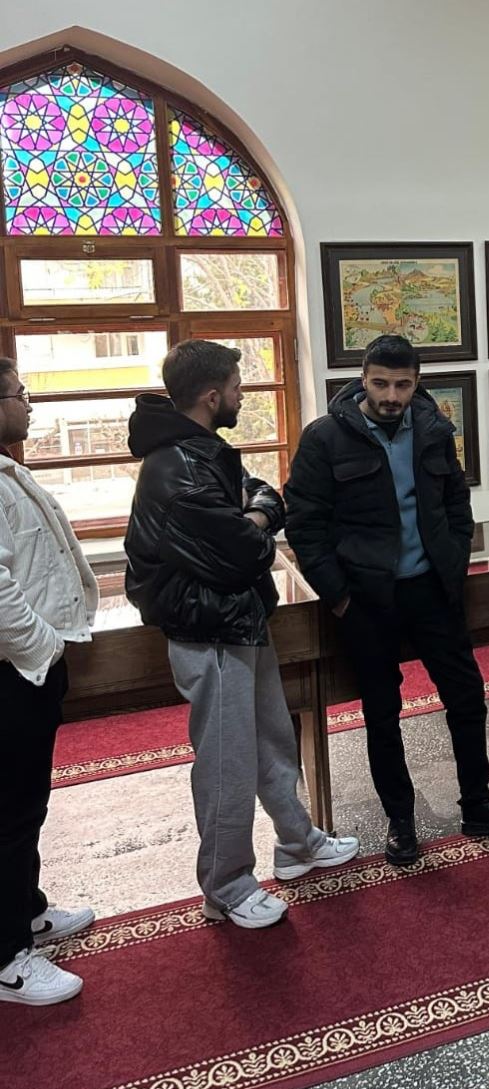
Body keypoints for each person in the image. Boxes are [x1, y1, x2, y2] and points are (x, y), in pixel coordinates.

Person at [125, 340, 359, 929]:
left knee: (272, 740)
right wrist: (256, 517)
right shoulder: (176, 468)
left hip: (239, 622)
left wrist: (255, 512)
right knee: (227, 762)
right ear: (211, 396)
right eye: (235, 386)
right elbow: (245, 551)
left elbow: (261, 496)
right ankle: (226, 886)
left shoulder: (202, 451)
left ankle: (297, 842)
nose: (241, 395)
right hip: (208, 631)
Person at [285, 335, 489, 866]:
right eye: (380, 383)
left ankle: (478, 804)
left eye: (402, 385)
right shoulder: (325, 438)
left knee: (467, 696)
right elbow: (305, 524)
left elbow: (455, 502)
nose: (391, 396)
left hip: (432, 590)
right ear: (362, 379)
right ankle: (400, 820)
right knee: (383, 712)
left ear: (417, 382)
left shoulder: (433, 429)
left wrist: (453, 559)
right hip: (365, 598)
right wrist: (338, 596)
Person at [0, 358, 98, 1005]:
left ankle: (26, 910)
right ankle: (8, 957)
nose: (29, 403)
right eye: (18, 394)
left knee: (27, 802)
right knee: (8, 811)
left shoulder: (8, 469)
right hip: (13, 671)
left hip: (30, 667)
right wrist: (42, 646)